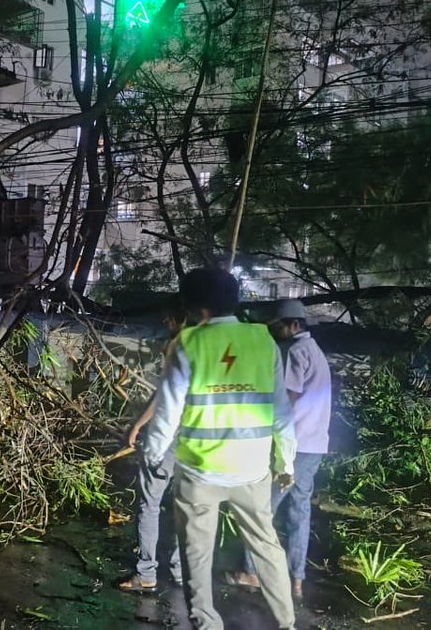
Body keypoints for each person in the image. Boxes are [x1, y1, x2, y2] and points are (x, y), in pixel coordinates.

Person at [144, 268, 297, 630]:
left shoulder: (188, 343)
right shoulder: (264, 342)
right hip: (253, 469)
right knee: (267, 547)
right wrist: (285, 461)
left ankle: (207, 624)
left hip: (199, 471)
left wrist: (152, 455)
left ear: (191, 304)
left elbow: (168, 411)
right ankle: (287, 623)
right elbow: (281, 412)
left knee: (197, 557)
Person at [235, 299, 332, 600]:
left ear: (293, 325)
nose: (274, 331)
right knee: (299, 512)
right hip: (315, 445)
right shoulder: (316, 352)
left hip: (296, 446)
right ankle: (296, 580)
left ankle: (251, 572)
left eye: (277, 325)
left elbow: (287, 400)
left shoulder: (295, 352)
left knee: (264, 508)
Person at [117, 312, 185, 592]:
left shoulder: (180, 345)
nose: (166, 323)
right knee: (187, 507)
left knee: (149, 504)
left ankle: (146, 573)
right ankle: (182, 572)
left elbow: (164, 397)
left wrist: (137, 426)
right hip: (195, 440)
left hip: (168, 438)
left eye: (169, 319)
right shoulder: (210, 346)